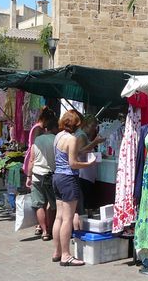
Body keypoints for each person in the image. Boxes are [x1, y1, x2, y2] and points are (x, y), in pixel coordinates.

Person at [51, 110, 97, 266]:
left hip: (57, 177)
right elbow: (73, 163)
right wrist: (88, 164)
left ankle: (57, 252)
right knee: (68, 219)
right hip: (69, 178)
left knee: (59, 216)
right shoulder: (72, 139)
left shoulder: (58, 136)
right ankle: (65, 255)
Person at [23, 106, 57, 236]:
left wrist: (28, 176)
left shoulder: (37, 140)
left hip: (37, 175)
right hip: (50, 175)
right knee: (52, 205)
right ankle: (50, 228)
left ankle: (43, 231)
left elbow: (31, 160)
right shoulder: (56, 140)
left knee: (39, 205)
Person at [73, 115, 105, 229]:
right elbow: (81, 152)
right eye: (93, 126)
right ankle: (84, 226)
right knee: (85, 202)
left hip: (85, 173)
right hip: (84, 173)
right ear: (86, 124)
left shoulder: (82, 135)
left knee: (85, 201)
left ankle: (84, 225)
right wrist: (95, 142)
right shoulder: (81, 135)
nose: (94, 128)